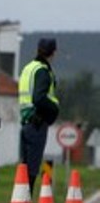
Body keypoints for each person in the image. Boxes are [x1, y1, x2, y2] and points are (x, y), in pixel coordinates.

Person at [18, 37, 59, 193]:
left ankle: (21, 202)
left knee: (24, 167)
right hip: (37, 123)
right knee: (32, 169)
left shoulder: (28, 68)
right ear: (54, 52)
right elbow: (39, 98)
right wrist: (54, 109)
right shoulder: (43, 71)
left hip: (26, 122)